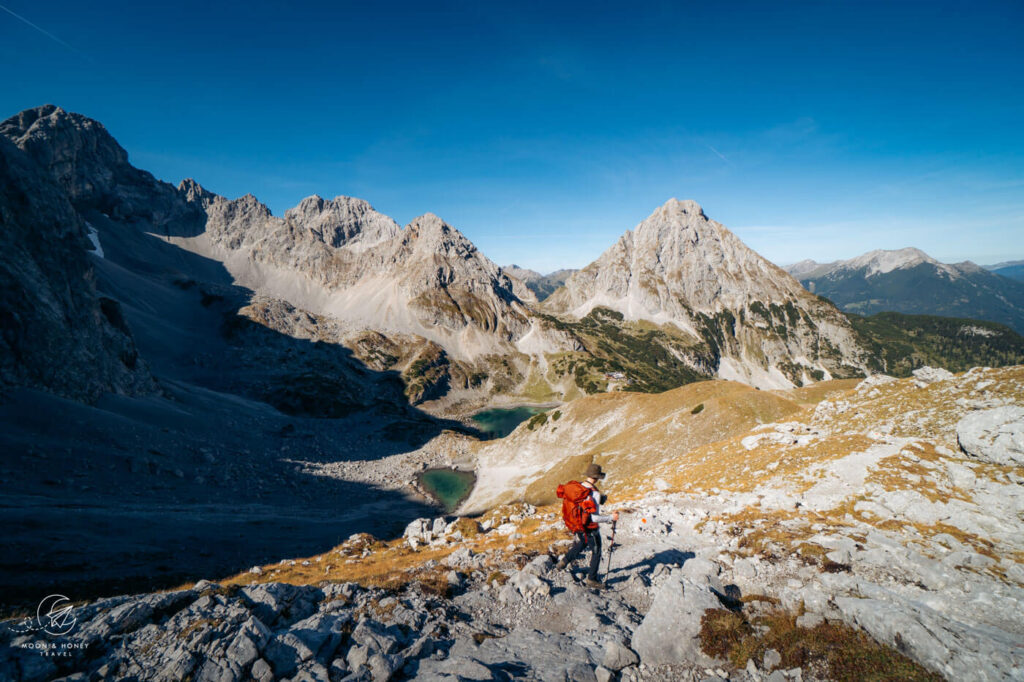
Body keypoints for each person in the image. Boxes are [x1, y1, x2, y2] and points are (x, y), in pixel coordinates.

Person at [555, 463, 619, 588]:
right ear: (596, 478)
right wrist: (611, 517)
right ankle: (592, 579)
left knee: (583, 542)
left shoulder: (579, 486)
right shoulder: (594, 493)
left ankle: (563, 562)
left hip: (578, 524)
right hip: (590, 528)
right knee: (597, 551)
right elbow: (594, 517)